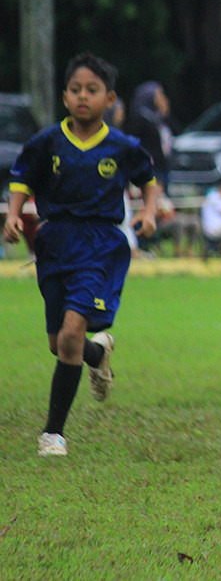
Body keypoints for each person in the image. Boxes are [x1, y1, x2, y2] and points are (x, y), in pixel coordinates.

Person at [2, 53, 158, 456]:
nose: (82, 96)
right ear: (65, 97)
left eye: (92, 90)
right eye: (75, 90)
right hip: (54, 243)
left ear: (110, 99)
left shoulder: (122, 145)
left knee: (71, 332)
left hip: (100, 244)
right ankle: (97, 352)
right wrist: (14, 217)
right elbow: (21, 179)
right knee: (61, 344)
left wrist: (149, 211)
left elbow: (148, 178)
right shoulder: (47, 141)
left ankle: (53, 433)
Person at [126, 80, 175, 194]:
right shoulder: (140, 119)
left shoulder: (157, 119)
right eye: (159, 94)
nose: (162, 98)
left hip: (162, 167)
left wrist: (165, 114)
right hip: (151, 168)